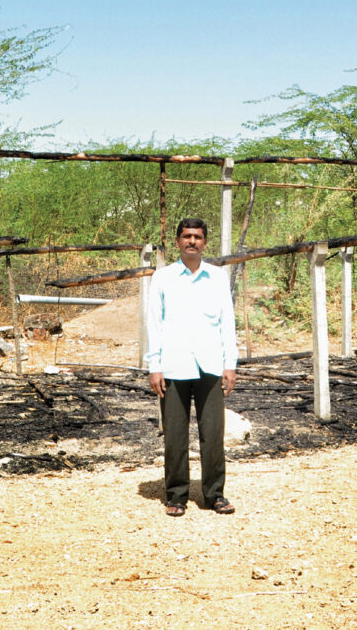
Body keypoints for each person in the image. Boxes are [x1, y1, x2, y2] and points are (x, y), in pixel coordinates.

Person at [145, 217, 238, 517]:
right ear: (177, 241)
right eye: (186, 236)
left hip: (210, 365)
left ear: (205, 242)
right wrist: (154, 366)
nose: (192, 241)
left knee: (213, 434)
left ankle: (214, 494)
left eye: (197, 236)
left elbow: (228, 324)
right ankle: (176, 495)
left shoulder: (217, 277)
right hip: (173, 366)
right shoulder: (163, 278)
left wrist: (230, 364)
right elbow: (154, 324)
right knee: (175, 435)